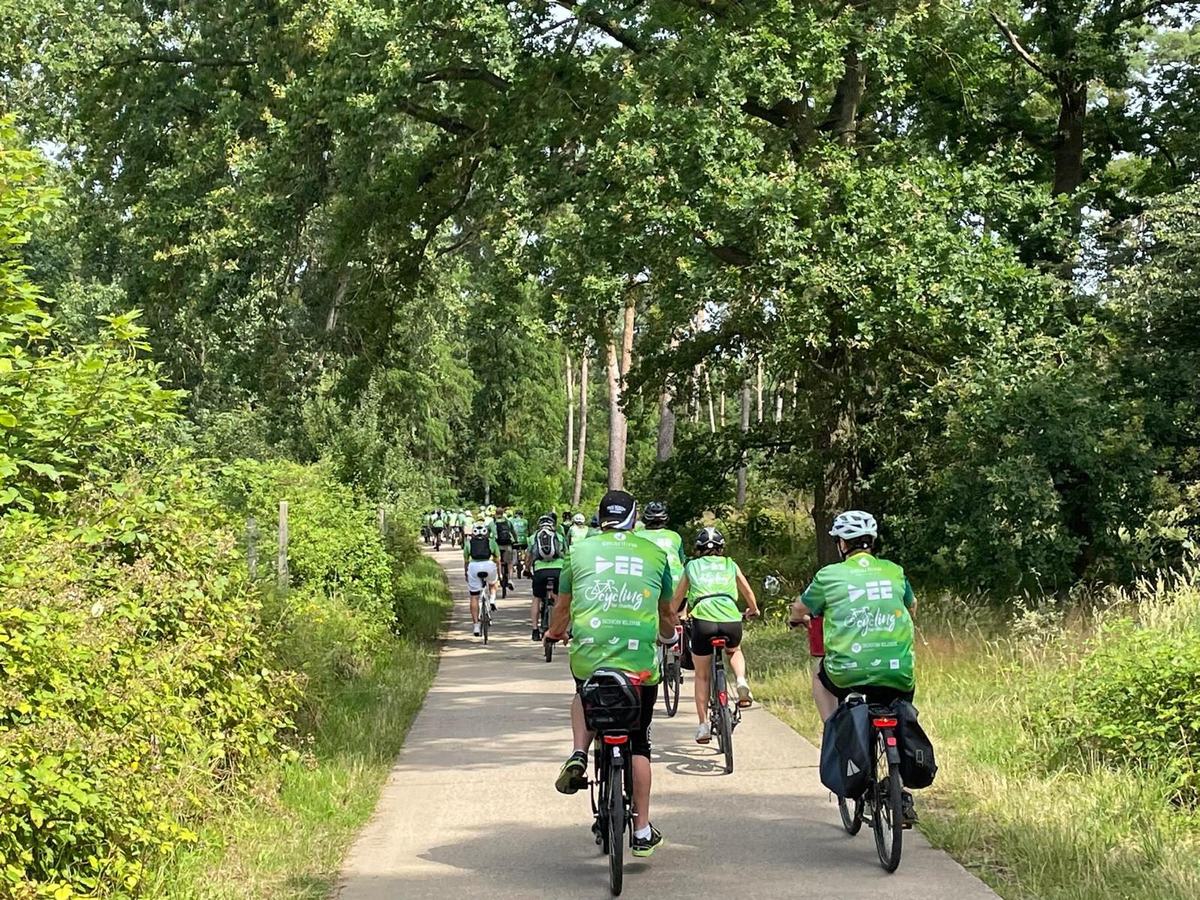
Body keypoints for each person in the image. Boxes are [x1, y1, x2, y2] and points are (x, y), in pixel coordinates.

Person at [545, 490, 678, 858]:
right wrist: (668, 637)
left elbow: (563, 606)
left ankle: (578, 752)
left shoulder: (579, 551)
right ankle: (641, 830)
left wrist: (555, 633)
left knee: (585, 693)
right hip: (639, 666)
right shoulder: (655, 554)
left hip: (591, 657)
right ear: (634, 519)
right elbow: (666, 613)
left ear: (600, 519)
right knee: (639, 744)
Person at [789, 510, 918, 819]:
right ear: (872, 541)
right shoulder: (894, 571)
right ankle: (897, 772)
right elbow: (911, 607)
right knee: (897, 702)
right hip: (897, 670)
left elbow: (801, 608)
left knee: (819, 675)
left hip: (848, 673)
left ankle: (836, 728)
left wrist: (796, 619)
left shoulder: (829, 575)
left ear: (841, 545)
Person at [671, 527, 760, 743]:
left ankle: (703, 726)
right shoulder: (730, 564)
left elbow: (678, 597)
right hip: (731, 620)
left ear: (699, 549)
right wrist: (753, 609)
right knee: (734, 650)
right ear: (721, 548)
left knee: (702, 675)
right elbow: (747, 591)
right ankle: (740, 680)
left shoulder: (691, 566)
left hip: (703, 622)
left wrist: (672, 616)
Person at [528, 514, 566, 640]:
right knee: (558, 598)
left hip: (540, 570)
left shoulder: (533, 537)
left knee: (536, 598)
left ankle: (534, 630)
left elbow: (529, 556)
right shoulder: (559, 536)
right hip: (558, 569)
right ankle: (558, 627)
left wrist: (526, 569)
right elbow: (565, 554)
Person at [463, 523, 500, 637]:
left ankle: (476, 626)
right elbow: (497, 558)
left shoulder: (468, 543)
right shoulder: (491, 542)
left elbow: (466, 561)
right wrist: (499, 573)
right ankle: (492, 599)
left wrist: (466, 573)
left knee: (474, 596)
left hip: (473, 567)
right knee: (493, 583)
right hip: (489, 565)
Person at [510, 508, 530, 578]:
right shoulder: (525, 521)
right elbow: (527, 531)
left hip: (514, 542)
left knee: (512, 551)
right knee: (526, 551)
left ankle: (512, 565)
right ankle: (526, 563)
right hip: (524, 541)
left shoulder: (511, 521)